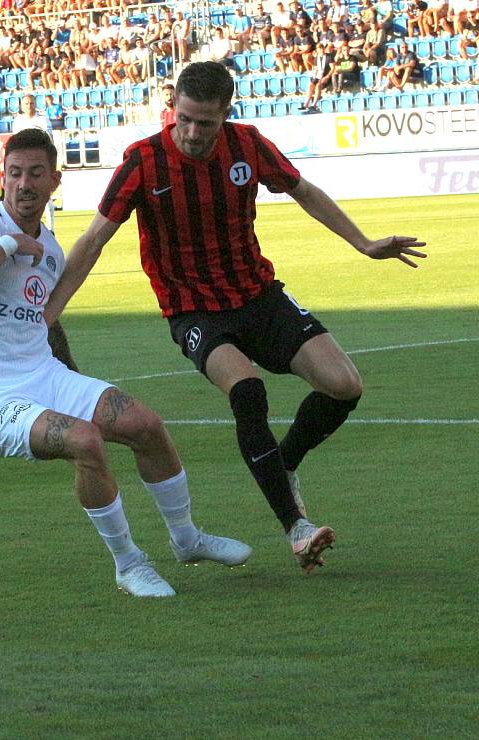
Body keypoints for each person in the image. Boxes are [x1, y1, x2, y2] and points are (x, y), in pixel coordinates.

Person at [44, 62, 427, 574]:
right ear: (172, 109)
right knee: (248, 391)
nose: (194, 132)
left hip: (258, 295)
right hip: (194, 309)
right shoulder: (143, 162)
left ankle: (282, 464)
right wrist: (50, 309)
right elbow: (93, 239)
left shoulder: (247, 145)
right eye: (185, 119)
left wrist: (364, 243)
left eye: (206, 122)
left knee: (345, 386)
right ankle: (297, 527)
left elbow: (304, 191)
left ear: (226, 114)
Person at [0, 128, 252, 597]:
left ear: (54, 181)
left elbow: (41, 322)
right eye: (15, 173)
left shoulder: (50, 250)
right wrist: (7, 246)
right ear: (2, 177)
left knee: (145, 424)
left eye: (35, 174)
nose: (24, 184)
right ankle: (129, 564)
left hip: (45, 375)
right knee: (85, 441)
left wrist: (76, 381)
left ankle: (187, 540)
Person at [12, 94, 55, 233]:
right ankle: (22, 226)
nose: (29, 106)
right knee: (22, 195)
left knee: (46, 194)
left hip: (40, 164)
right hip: (23, 166)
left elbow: (50, 142)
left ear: (35, 104)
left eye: (31, 103)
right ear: (21, 106)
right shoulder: (18, 122)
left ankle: (51, 228)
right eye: (26, 103)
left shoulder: (43, 120)